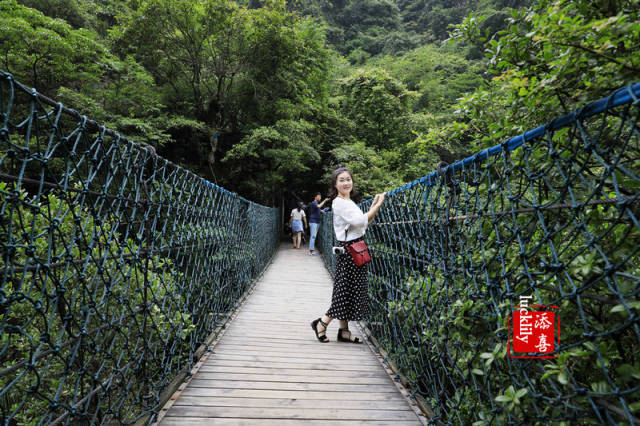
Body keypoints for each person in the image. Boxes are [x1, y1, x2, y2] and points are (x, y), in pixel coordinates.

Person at [310, 166, 386, 343]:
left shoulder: (349, 202)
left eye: (348, 179)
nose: (346, 183)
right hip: (349, 251)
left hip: (356, 249)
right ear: (335, 184)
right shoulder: (339, 203)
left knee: (349, 291)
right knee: (344, 292)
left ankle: (344, 331)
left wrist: (373, 206)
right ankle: (321, 323)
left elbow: (363, 224)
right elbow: (360, 221)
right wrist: (378, 205)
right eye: (341, 180)